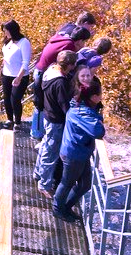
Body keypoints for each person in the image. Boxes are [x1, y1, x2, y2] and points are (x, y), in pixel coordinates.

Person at [53, 81, 105, 223]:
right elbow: (98, 131)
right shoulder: (82, 112)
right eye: (100, 94)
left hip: (79, 152)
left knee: (85, 184)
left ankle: (66, 207)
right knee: (66, 183)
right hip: (73, 154)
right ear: (93, 97)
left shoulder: (81, 106)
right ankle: (58, 209)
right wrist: (99, 119)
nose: (101, 96)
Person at [31, 26, 92, 139]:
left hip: (42, 70)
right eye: (84, 41)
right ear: (80, 40)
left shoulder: (62, 38)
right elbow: (67, 62)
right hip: (47, 73)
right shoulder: (69, 46)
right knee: (42, 105)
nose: (84, 44)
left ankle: (37, 133)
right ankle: (38, 134)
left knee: (41, 103)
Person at [34, 51, 77, 198]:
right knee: (51, 153)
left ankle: (38, 173)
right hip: (56, 120)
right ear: (70, 65)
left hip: (48, 114)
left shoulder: (50, 70)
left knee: (46, 146)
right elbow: (64, 105)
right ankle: (44, 185)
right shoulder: (60, 82)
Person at [0, 20, 32, 129]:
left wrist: (19, 77)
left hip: (19, 76)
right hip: (6, 74)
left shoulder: (24, 42)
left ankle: (17, 122)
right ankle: (10, 119)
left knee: (15, 99)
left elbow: (26, 62)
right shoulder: (8, 41)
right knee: (7, 98)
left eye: (6, 31)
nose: (5, 34)